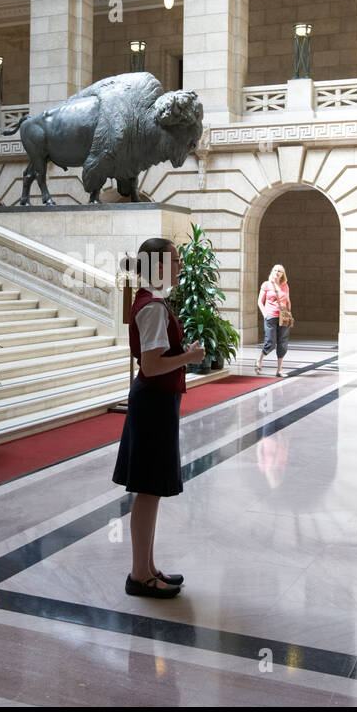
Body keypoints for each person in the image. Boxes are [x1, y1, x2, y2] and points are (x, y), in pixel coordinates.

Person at [113, 237, 205, 598]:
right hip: (152, 400)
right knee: (149, 490)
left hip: (156, 400)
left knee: (150, 491)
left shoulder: (153, 302)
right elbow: (151, 366)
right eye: (175, 260)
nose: (180, 266)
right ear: (158, 266)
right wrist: (190, 357)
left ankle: (147, 568)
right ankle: (140, 575)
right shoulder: (152, 307)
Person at [254, 264, 291, 376]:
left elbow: (288, 301)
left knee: (283, 343)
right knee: (270, 341)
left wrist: (289, 314)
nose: (277, 272)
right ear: (272, 272)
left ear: (282, 274)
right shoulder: (266, 285)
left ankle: (279, 370)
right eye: (275, 270)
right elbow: (260, 301)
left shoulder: (285, 286)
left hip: (283, 317)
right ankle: (259, 360)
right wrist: (265, 314)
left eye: (280, 271)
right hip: (271, 316)